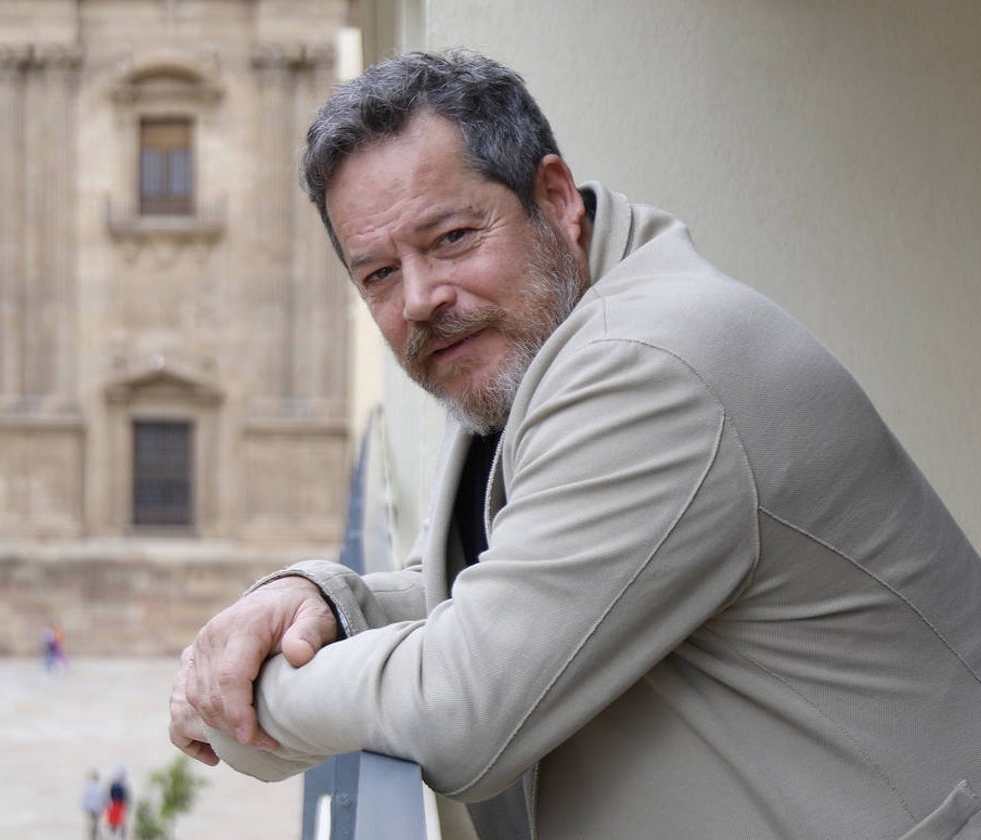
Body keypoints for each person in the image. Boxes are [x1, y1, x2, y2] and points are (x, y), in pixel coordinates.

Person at [168, 50, 981, 840]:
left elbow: (463, 712)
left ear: (555, 198)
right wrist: (325, 604)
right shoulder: (536, 344)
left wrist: (246, 696)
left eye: (451, 237)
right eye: (378, 274)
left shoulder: (648, 367)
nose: (419, 300)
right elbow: (500, 594)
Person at [81, 769, 106, 840]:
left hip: (91, 808)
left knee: (92, 823)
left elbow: (85, 798)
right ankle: (93, 836)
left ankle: (92, 836)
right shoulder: (99, 787)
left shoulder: (88, 786)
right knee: (95, 823)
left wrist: (84, 806)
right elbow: (104, 798)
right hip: (96, 808)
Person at [106, 767, 129, 839]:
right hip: (119, 804)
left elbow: (110, 795)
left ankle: (115, 833)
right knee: (119, 820)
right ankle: (119, 835)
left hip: (116, 804)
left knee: (115, 821)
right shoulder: (122, 786)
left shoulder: (114, 785)